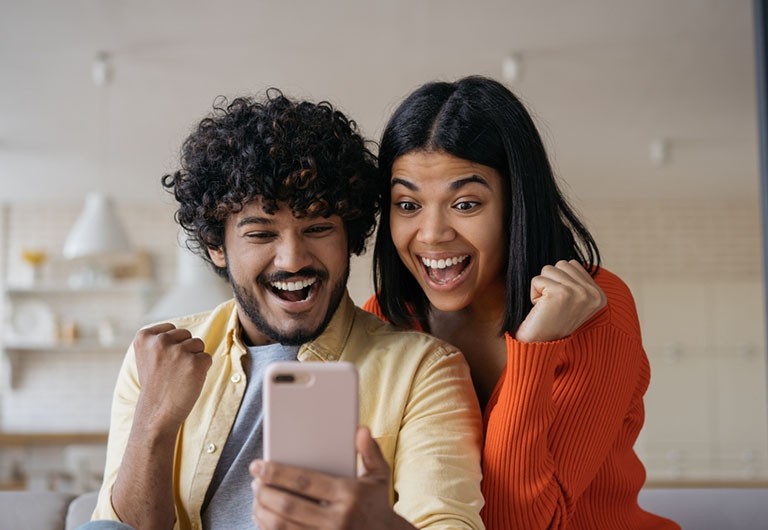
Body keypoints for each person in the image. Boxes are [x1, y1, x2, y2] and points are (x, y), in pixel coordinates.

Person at [85, 90, 485, 530]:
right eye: (260, 234)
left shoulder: (423, 370)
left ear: (350, 237)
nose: (293, 259)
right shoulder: (156, 357)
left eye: (317, 228)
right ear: (217, 247)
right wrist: (153, 426)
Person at [363, 76, 680, 530]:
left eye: (466, 204)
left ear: (516, 203)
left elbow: (521, 521)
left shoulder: (593, 308)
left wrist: (533, 348)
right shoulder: (385, 320)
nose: (432, 233)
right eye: (408, 205)